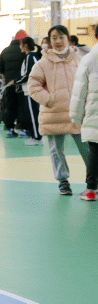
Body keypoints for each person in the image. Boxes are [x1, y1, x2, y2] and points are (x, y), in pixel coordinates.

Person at [28, 25, 88, 196]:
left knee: (87, 147)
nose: (58, 41)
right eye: (54, 38)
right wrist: (49, 99)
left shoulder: (79, 60)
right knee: (56, 150)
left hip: (77, 112)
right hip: (53, 114)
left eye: (61, 37)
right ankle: (63, 181)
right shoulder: (43, 63)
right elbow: (33, 85)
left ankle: (93, 179)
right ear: (49, 41)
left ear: (68, 39)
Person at [69, 24, 98, 201]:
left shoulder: (88, 59)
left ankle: (90, 191)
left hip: (94, 114)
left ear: (95, 36)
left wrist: (76, 116)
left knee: (95, 151)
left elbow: (79, 91)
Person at [0, 30, 27, 138]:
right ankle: (23, 130)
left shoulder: (5, 51)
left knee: (9, 107)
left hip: (9, 84)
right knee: (22, 106)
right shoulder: (25, 51)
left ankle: (9, 129)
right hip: (22, 84)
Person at [13, 37, 42, 146]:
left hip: (32, 91)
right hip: (28, 91)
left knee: (33, 114)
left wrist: (16, 81)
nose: (20, 47)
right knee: (29, 114)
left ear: (25, 45)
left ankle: (37, 137)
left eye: (21, 44)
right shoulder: (30, 57)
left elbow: (29, 74)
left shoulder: (31, 57)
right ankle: (34, 136)